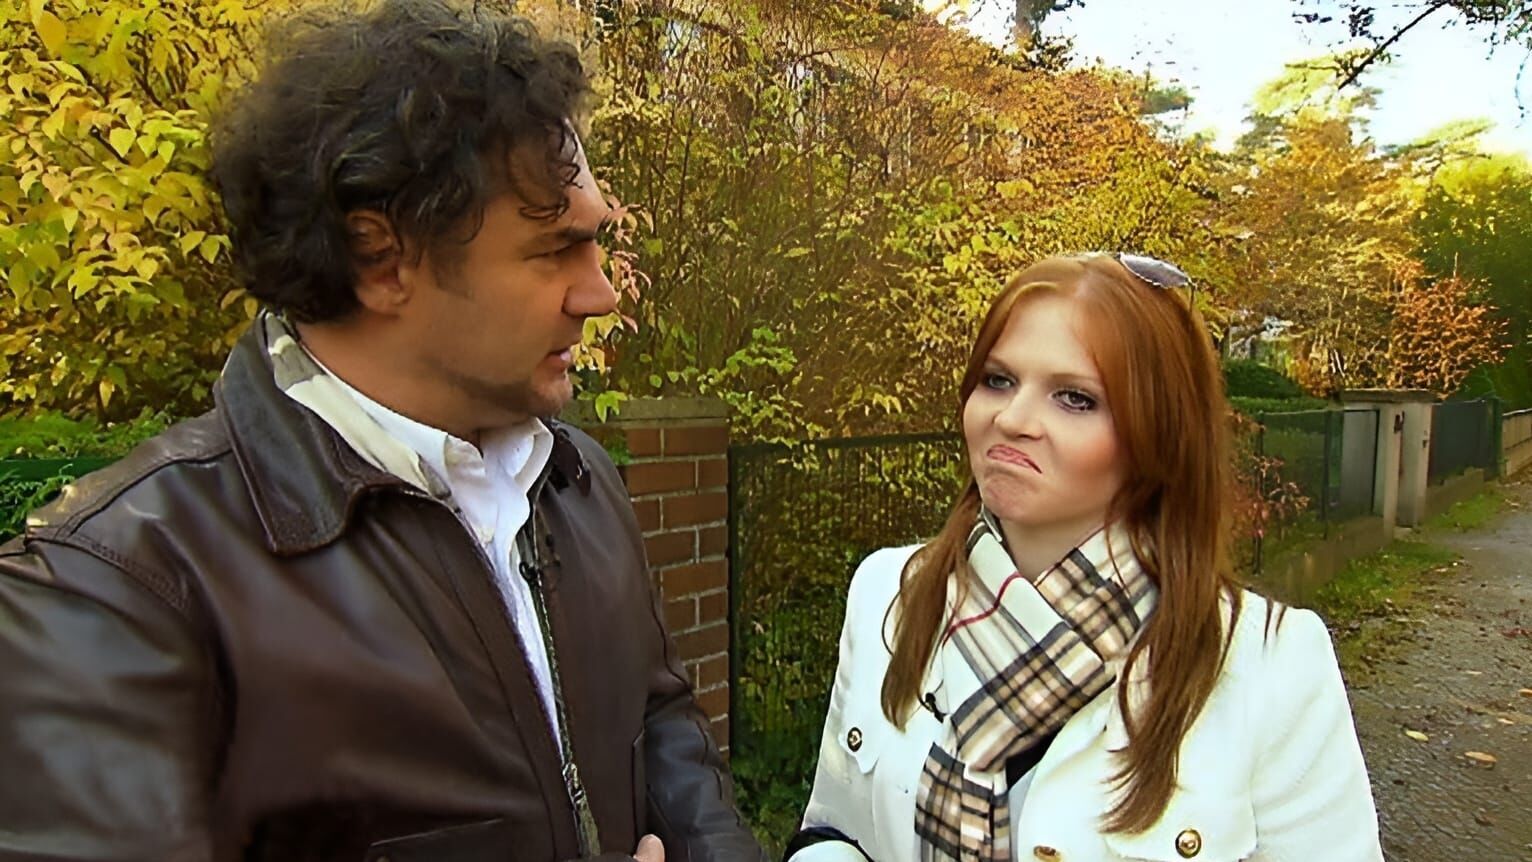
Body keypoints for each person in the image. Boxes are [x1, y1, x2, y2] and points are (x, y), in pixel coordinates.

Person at [0, 3, 763, 861]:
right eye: (555, 250)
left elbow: (661, 731)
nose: (602, 293)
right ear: (381, 260)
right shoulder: (117, 590)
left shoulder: (574, 477)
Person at [786, 254, 1383, 862]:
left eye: (1074, 398)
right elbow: (837, 826)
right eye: (998, 380)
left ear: (1158, 435)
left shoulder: (1269, 666)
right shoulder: (889, 593)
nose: (1012, 419)